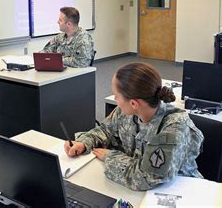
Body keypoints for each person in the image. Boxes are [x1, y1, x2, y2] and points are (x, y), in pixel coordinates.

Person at [64, 63, 204, 190]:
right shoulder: (126, 111)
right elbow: (105, 130)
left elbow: (145, 178)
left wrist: (110, 156)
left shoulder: (173, 129)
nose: (115, 100)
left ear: (133, 103)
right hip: (134, 189)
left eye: (116, 96)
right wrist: (84, 143)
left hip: (178, 192)